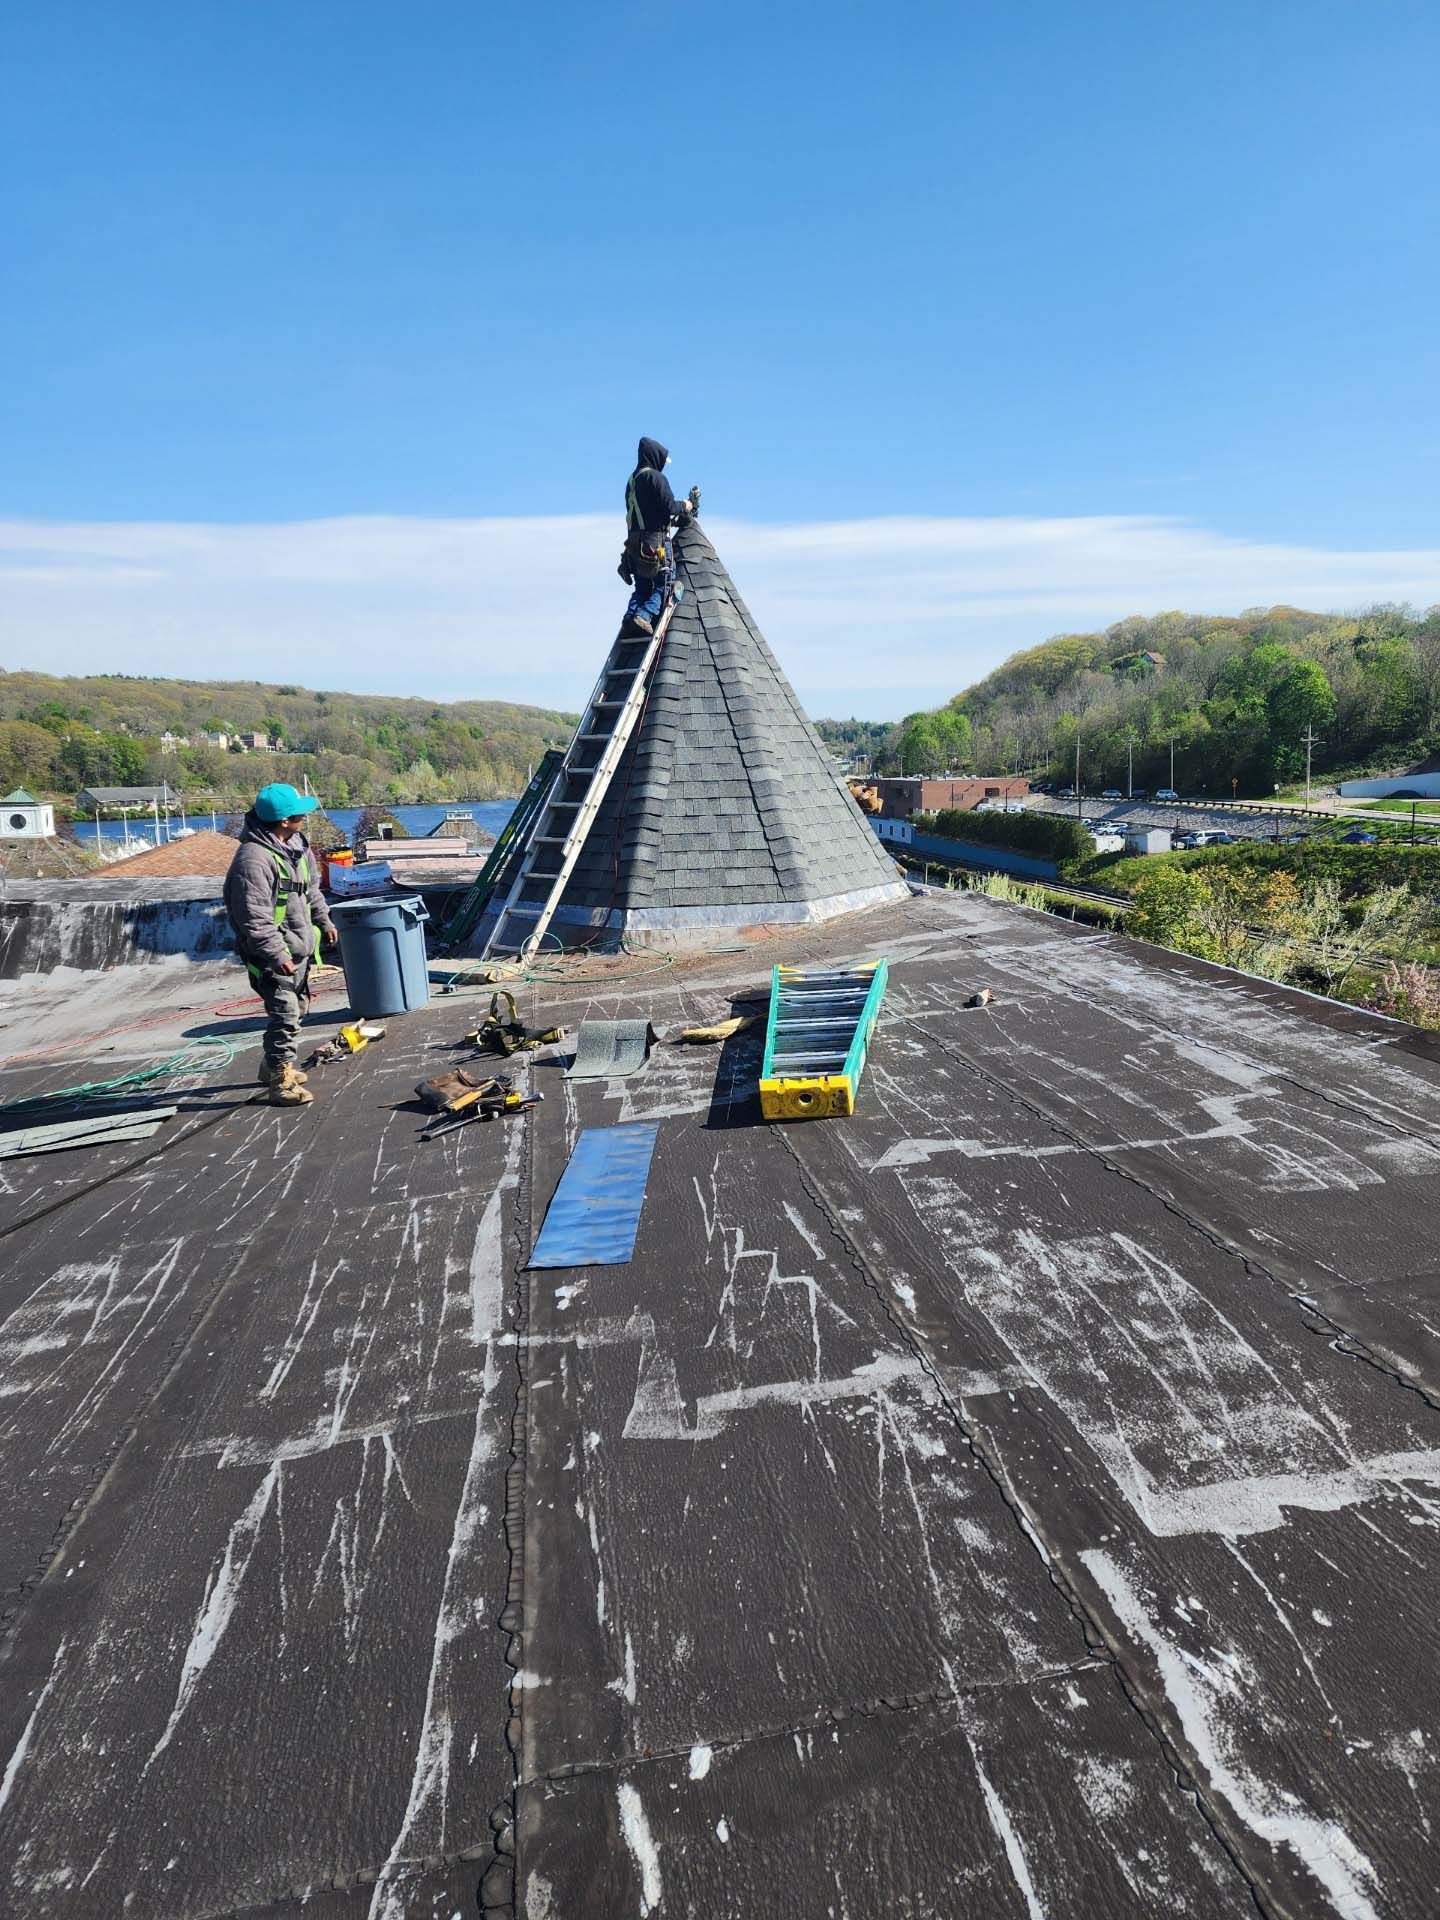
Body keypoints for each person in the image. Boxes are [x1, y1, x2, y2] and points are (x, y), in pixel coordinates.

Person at [223, 782, 339, 1106]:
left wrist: (325, 921)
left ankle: (272, 1064)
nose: (305, 816)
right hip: (272, 955)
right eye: (299, 813)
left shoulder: (297, 848)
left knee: (298, 1008)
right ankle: (280, 1081)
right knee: (285, 1014)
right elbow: (253, 917)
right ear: (284, 820)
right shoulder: (254, 861)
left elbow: (310, 890)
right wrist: (275, 954)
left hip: (297, 948)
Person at [618, 436, 694, 636]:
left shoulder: (632, 481)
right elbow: (669, 507)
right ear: (655, 458)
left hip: (635, 545)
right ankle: (644, 615)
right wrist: (685, 506)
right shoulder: (656, 478)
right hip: (655, 543)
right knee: (665, 584)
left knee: (642, 586)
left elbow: (650, 512)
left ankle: (630, 617)